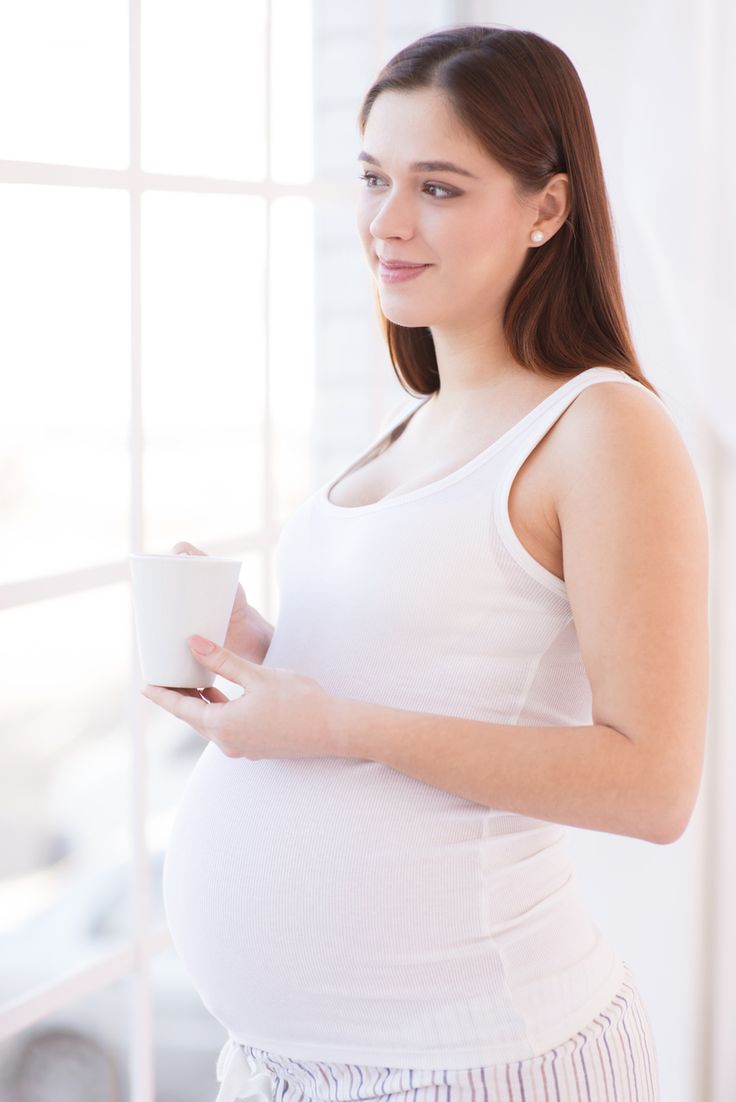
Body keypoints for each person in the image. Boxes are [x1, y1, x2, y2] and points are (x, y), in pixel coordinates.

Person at [141, 24, 709, 1102]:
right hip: (281, 1066)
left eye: (438, 188)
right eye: (372, 177)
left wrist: (339, 725)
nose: (385, 223)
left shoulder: (602, 428)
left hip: (477, 1059)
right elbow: (419, 672)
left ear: (546, 208)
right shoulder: (410, 425)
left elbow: (653, 783)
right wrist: (258, 650)